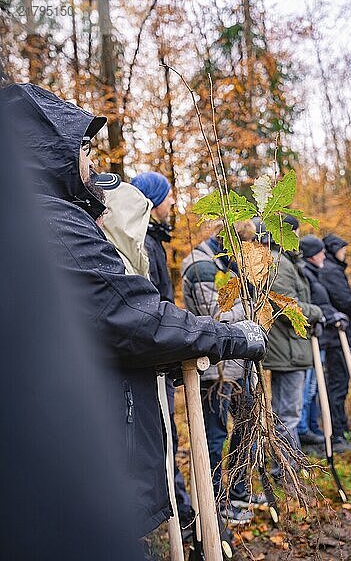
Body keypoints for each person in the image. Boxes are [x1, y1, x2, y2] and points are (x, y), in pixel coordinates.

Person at [3, 83, 267, 540]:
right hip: (74, 450)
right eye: (84, 149)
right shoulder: (55, 224)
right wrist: (229, 336)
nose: (93, 163)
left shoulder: (40, 219)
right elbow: (132, 315)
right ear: (50, 150)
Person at [181, 220, 265, 525]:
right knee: (215, 436)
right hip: (214, 371)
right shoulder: (202, 267)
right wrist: (249, 310)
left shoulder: (229, 267)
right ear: (226, 242)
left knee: (246, 430)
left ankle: (240, 491)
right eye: (240, 248)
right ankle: (214, 502)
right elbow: (214, 319)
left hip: (240, 365)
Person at [130, 171, 192, 530]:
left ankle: (179, 509)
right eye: (168, 197)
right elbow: (155, 307)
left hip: (161, 359)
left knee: (167, 434)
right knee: (164, 436)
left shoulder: (153, 241)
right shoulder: (147, 245)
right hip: (154, 363)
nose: (173, 203)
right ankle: (178, 515)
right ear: (153, 202)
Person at [263, 217, 323, 479]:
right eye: (295, 232)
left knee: (286, 412)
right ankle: (286, 470)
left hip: (292, 349)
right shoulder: (279, 263)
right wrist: (318, 313)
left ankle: (287, 466)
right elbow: (289, 308)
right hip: (287, 351)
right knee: (288, 413)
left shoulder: (286, 261)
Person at [299, 236, 351, 453]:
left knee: (314, 389)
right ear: (312, 254)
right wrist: (332, 316)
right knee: (307, 391)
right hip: (317, 339)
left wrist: (333, 314)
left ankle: (313, 430)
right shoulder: (311, 274)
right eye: (320, 252)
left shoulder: (315, 274)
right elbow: (314, 304)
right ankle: (306, 434)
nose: (324, 255)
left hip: (323, 337)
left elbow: (323, 303)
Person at [319, 234, 351, 440]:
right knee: (338, 383)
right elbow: (345, 299)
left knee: (339, 382)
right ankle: (338, 432)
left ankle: (341, 427)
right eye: (342, 249)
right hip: (335, 336)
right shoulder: (331, 270)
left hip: (338, 334)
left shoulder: (331, 268)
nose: (345, 253)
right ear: (333, 249)